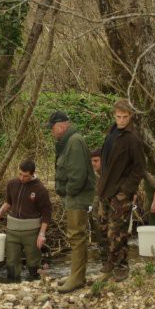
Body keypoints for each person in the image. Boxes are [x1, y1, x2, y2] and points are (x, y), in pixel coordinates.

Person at [97, 99, 146, 282]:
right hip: (105, 188)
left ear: (130, 116)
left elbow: (139, 168)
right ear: (114, 115)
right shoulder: (112, 131)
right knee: (103, 228)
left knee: (118, 231)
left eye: (125, 117)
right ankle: (110, 261)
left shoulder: (133, 138)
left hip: (121, 191)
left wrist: (125, 191)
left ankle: (122, 265)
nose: (121, 120)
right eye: (119, 116)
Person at [47, 111, 96, 293]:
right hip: (75, 196)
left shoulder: (74, 141)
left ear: (61, 126)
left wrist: (68, 193)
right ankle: (77, 275)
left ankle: (77, 279)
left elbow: (78, 174)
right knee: (76, 236)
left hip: (77, 197)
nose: (52, 132)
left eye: (52, 128)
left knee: (76, 236)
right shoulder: (69, 141)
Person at [0, 160, 52, 281]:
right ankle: (12, 284)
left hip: (31, 231)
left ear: (33, 174)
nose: (21, 178)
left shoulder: (41, 190)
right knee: (11, 261)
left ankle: (34, 282)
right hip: (12, 230)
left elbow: (47, 214)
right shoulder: (12, 183)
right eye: (20, 174)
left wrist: (42, 234)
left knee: (33, 262)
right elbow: (9, 202)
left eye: (25, 176)